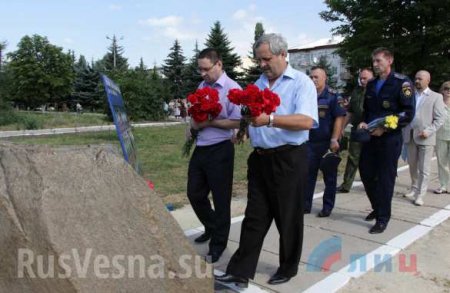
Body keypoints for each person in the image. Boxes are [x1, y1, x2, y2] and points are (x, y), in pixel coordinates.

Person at [215, 33, 318, 287]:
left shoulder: (300, 83)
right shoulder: (259, 85)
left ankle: (288, 267)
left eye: (266, 59)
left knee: (288, 216)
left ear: (283, 55)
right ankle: (239, 271)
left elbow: (306, 121)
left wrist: (270, 119)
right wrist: (243, 130)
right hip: (260, 160)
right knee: (255, 216)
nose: (261, 64)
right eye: (259, 60)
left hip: (288, 158)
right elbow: (250, 117)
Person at [186, 48, 241, 264]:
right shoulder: (203, 86)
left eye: (206, 69)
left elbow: (237, 122)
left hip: (221, 149)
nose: (202, 73)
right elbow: (194, 113)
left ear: (219, 64)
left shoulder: (232, 89)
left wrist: (210, 122)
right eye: (199, 69)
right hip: (201, 147)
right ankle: (211, 226)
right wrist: (191, 125)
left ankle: (218, 244)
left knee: (221, 199)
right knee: (194, 193)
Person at [358, 48, 415, 234]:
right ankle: (378, 205)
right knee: (366, 173)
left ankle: (383, 218)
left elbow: (408, 113)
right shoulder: (372, 84)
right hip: (371, 138)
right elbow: (367, 110)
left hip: (389, 139)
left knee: (385, 179)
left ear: (389, 60)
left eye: (378, 61)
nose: (375, 64)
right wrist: (364, 123)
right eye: (373, 61)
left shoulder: (402, 83)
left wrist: (385, 128)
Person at [304, 67, 346, 217]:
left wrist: (334, 139)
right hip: (309, 142)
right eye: (311, 77)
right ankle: (306, 205)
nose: (313, 80)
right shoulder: (306, 95)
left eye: (316, 77)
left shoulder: (333, 96)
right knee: (308, 175)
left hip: (327, 142)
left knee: (329, 177)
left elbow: (339, 118)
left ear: (324, 78)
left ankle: (327, 207)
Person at [402, 70, 446, 205]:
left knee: (424, 168)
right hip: (409, 134)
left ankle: (420, 194)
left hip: (426, 137)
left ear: (428, 80)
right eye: (415, 78)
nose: (417, 81)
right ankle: (414, 187)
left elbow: (440, 118)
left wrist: (429, 131)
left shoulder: (436, 97)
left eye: (420, 79)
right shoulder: (409, 95)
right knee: (412, 165)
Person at [337, 68, 374, 193]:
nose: (363, 81)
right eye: (361, 78)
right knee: (352, 157)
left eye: (366, 78)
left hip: (372, 129)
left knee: (371, 159)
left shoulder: (376, 90)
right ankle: (346, 184)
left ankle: (373, 184)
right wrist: (342, 127)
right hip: (356, 129)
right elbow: (350, 112)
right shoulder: (357, 91)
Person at [434, 81, 450, 194]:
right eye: (446, 88)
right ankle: (443, 185)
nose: (448, 90)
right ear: (442, 90)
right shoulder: (437, 103)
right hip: (440, 135)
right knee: (442, 162)